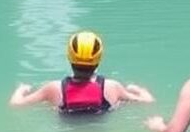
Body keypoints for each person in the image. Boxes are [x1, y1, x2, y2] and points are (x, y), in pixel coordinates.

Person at [9, 31, 154, 112]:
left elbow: (16, 104)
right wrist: (139, 89)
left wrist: (20, 90)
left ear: (69, 56)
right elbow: (148, 101)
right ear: (99, 58)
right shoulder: (111, 87)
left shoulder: (53, 89)